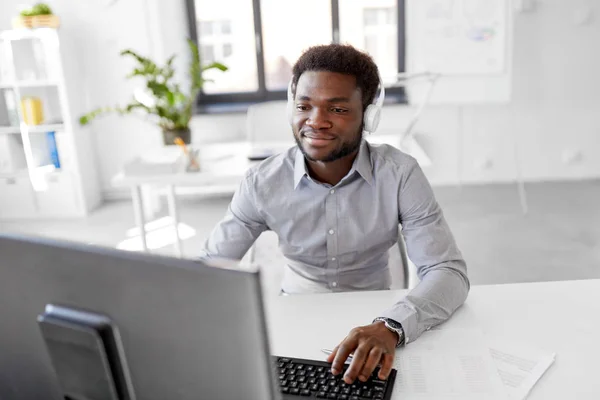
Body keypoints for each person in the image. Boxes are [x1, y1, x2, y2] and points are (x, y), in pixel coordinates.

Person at [199, 44, 469, 385]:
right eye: (303, 106)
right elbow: (210, 267)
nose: (316, 122)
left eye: (338, 108)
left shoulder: (400, 174)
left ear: (369, 116)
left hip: (378, 314)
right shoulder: (262, 182)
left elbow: (447, 271)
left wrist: (392, 326)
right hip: (294, 314)